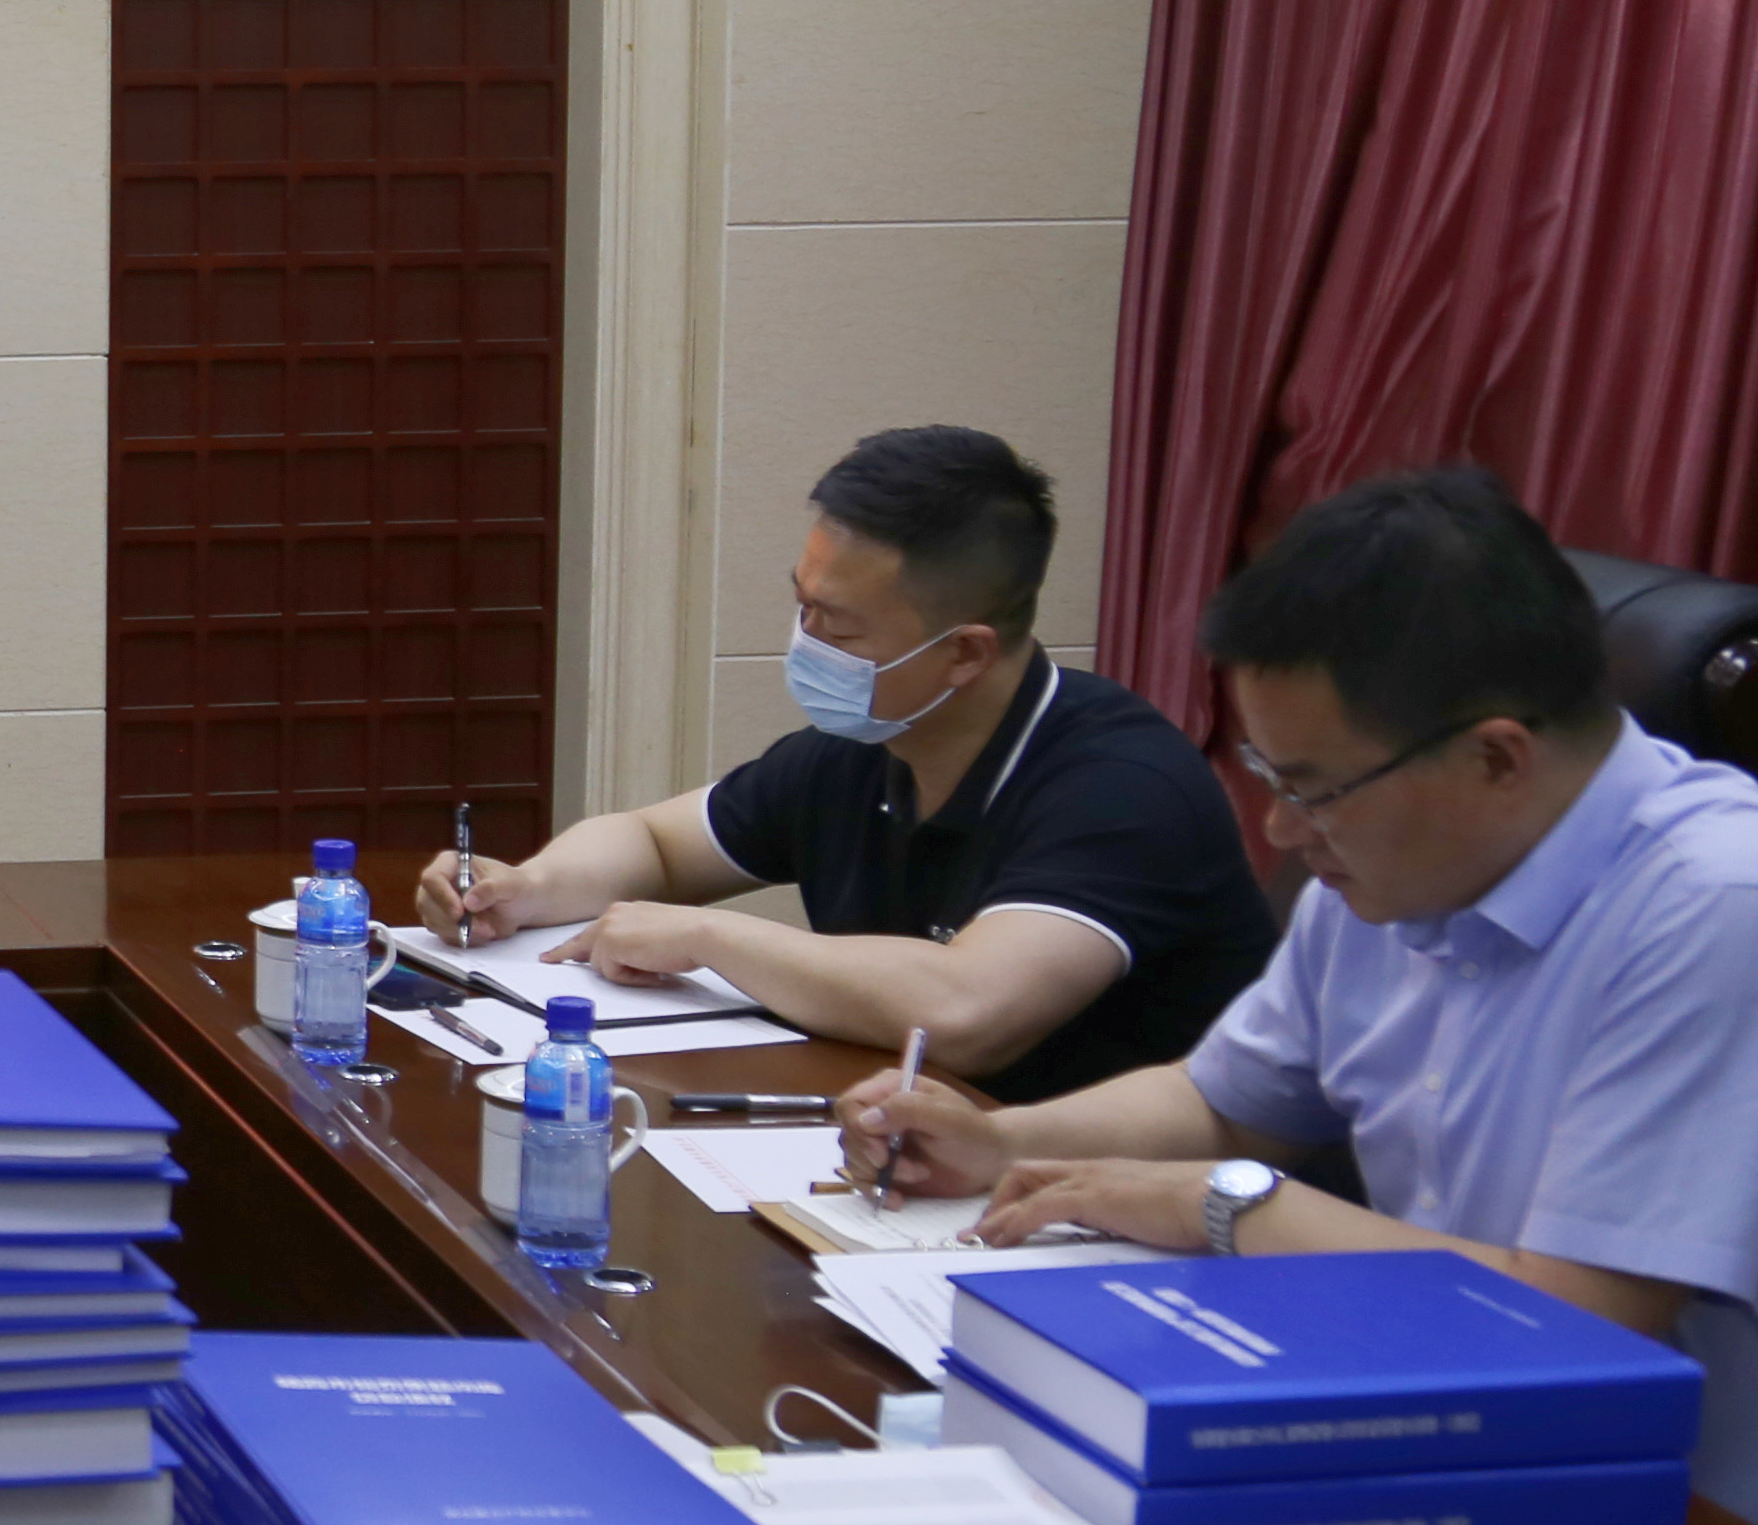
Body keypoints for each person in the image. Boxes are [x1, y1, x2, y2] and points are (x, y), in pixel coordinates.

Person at [851, 466, 1758, 1525]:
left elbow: (1579, 1319)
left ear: (1496, 757)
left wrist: (1226, 1205)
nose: (1282, 829)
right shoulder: (1399, 860)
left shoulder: (1726, 905)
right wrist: (1005, 1140)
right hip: (1485, 1436)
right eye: (1266, 772)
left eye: (1313, 787)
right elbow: (1225, 1100)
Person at [415, 426, 1275, 1095]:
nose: (807, 643)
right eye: (803, 606)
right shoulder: (862, 749)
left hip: (1130, 1214)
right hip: (914, 1159)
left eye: (839, 626)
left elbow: (969, 1013)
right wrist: (527, 888)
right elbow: (657, 843)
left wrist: (708, 937)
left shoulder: (1123, 789)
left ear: (965, 653)